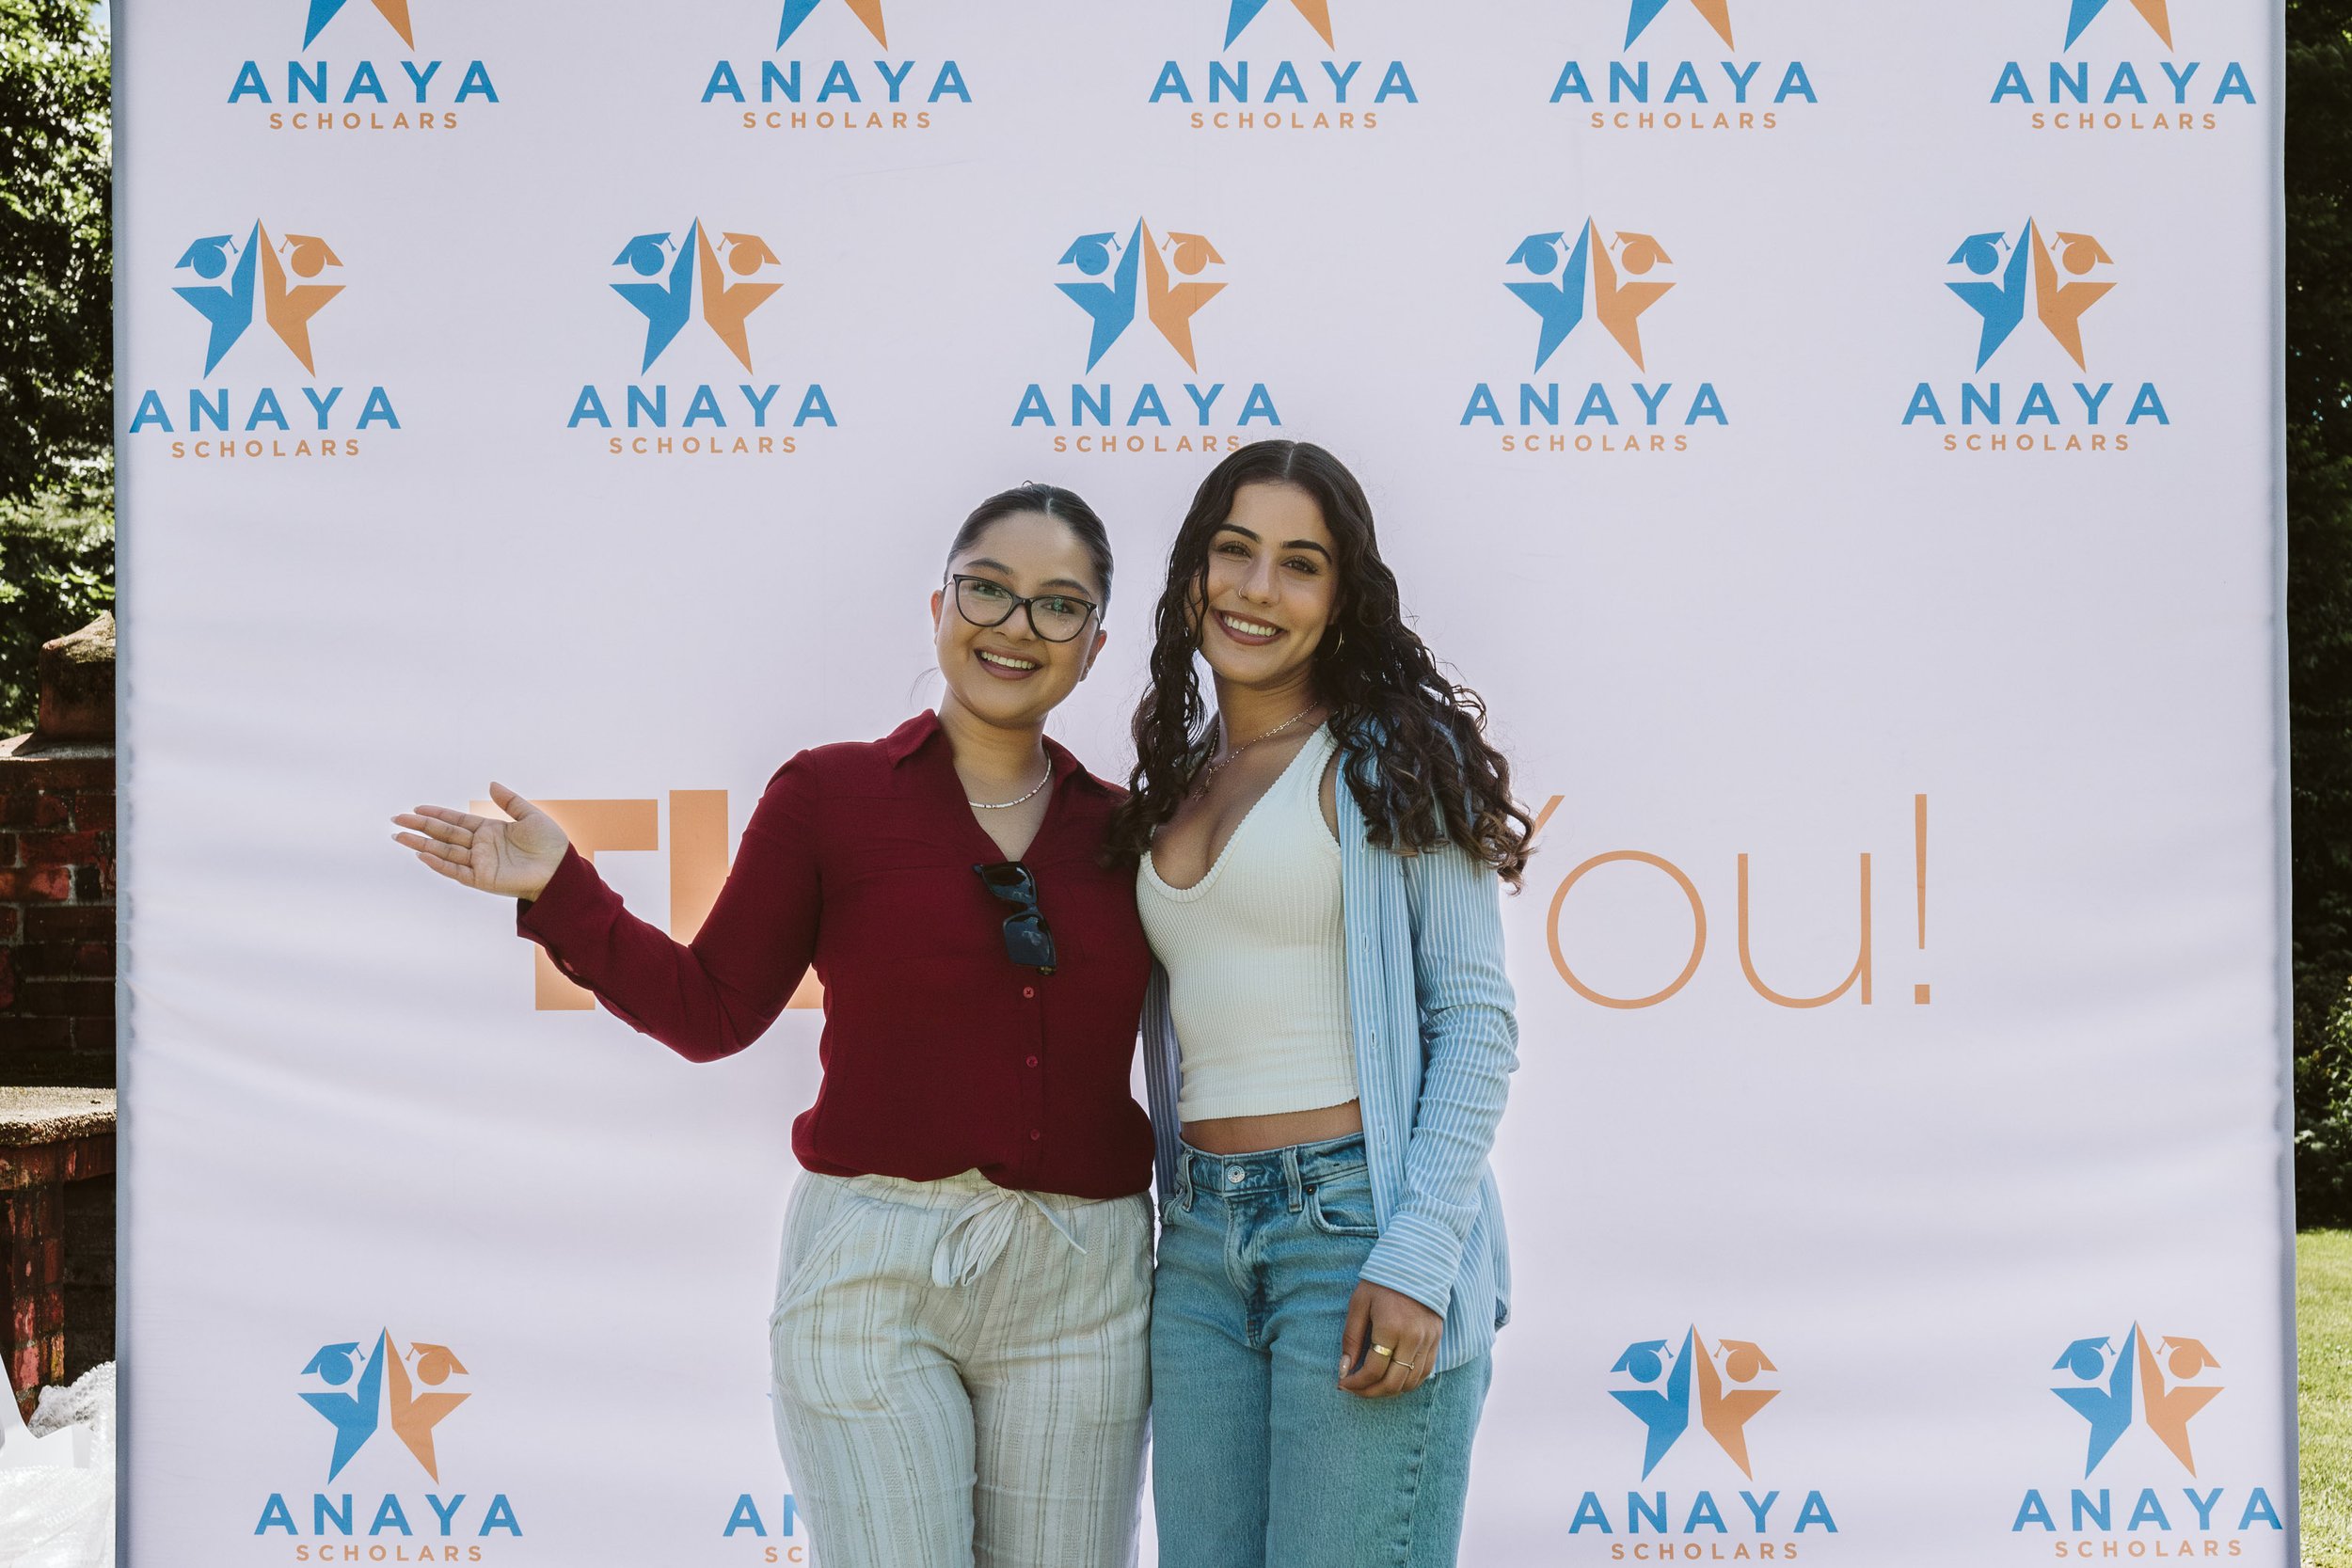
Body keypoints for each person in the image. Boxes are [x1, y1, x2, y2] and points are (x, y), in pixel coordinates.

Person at [391, 484, 1154, 1568]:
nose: (1014, 625)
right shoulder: (829, 795)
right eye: (988, 589)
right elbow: (712, 1011)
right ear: (939, 605)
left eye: (1056, 604)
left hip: (1086, 1285)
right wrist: (564, 889)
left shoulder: (1131, 834)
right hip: (870, 1275)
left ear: (1094, 642)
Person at [1110, 440, 1534, 1568]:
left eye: (1300, 565)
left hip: (1356, 1226)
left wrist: (1417, 1255)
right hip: (1198, 1242)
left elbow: (1476, 1022)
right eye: (1233, 550)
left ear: (1341, 599)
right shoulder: (1175, 776)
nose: (1257, 588)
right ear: (1193, 569)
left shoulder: (1392, 753)